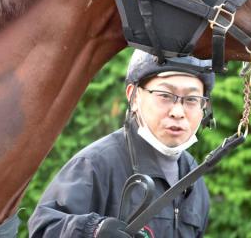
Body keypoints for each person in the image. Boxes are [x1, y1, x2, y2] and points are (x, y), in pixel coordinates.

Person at [28, 50, 215, 238]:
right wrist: (93, 230)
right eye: (165, 95)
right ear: (133, 97)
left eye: (191, 99)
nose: (178, 111)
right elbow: (43, 227)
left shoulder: (193, 176)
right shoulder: (95, 163)